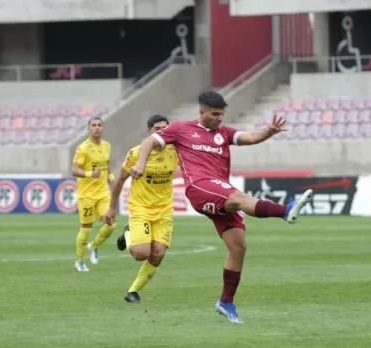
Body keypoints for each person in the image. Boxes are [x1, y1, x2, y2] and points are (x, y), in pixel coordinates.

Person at [129, 91, 313, 324]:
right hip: (199, 187)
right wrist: (141, 163)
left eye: (222, 114)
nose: (219, 119)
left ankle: (226, 302)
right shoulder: (180, 128)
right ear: (202, 112)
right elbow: (149, 142)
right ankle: (286, 211)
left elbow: (248, 137)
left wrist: (268, 132)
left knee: (238, 246)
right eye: (215, 114)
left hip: (219, 190)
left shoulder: (223, 133)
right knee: (238, 197)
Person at [103, 115, 177, 304]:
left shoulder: (175, 151)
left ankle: (133, 291)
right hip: (141, 208)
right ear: (149, 132)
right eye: (157, 129)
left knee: (158, 253)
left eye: (165, 129)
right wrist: (111, 208)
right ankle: (128, 233)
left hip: (164, 210)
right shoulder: (136, 154)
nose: (162, 133)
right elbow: (120, 180)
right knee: (141, 254)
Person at [71, 117, 116, 272]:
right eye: (94, 125)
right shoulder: (83, 148)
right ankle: (79, 261)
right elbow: (74, 170)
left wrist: (111, 178)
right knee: (86, 229)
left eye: (99, 125)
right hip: (87, 194)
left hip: (103, 192)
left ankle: (94, 246)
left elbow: (106, 165)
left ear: (102, 128)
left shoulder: (107, 146)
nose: (97, 128)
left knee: (111, 224)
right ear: (89, 129)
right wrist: (90, 173)